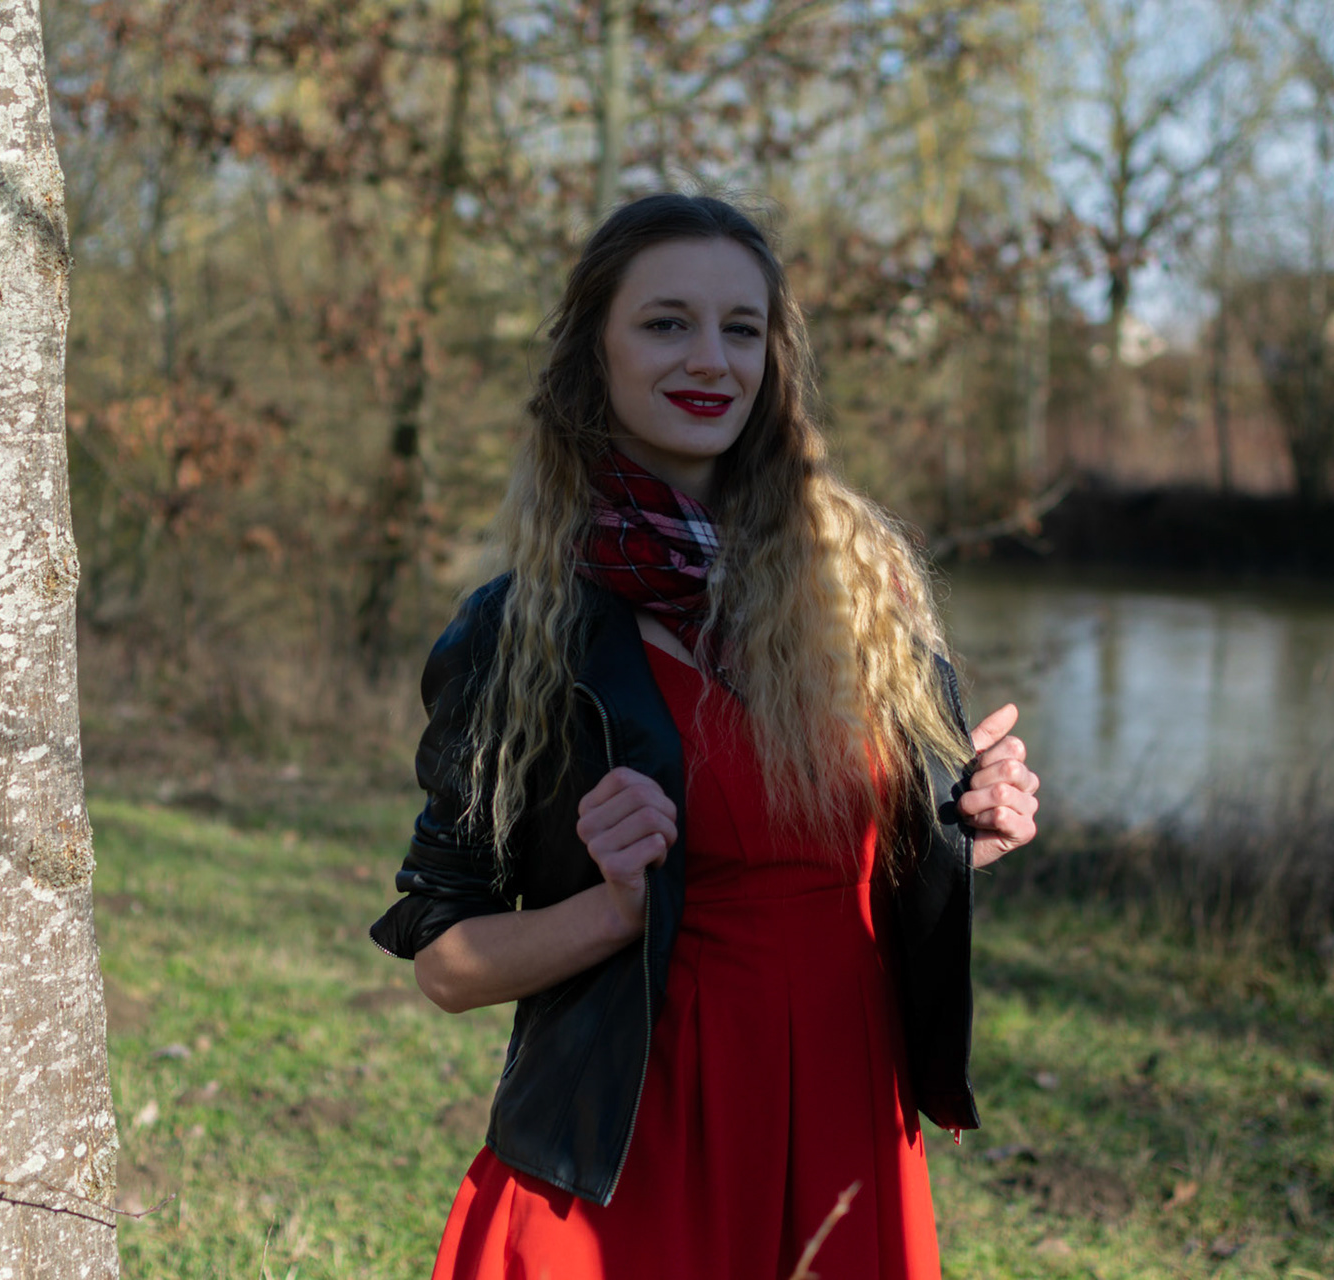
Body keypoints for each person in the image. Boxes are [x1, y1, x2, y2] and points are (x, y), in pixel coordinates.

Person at [370, 193, 1040, 1279]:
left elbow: (864, 875)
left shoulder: (863, 593)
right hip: (638, 1149)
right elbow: (445, 961)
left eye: (742, 328)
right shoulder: (521, 632)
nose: (710, 360)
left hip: (846, 1123)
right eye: (665, 322)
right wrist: (615, 907)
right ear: (594, 350)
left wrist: (965, 839)